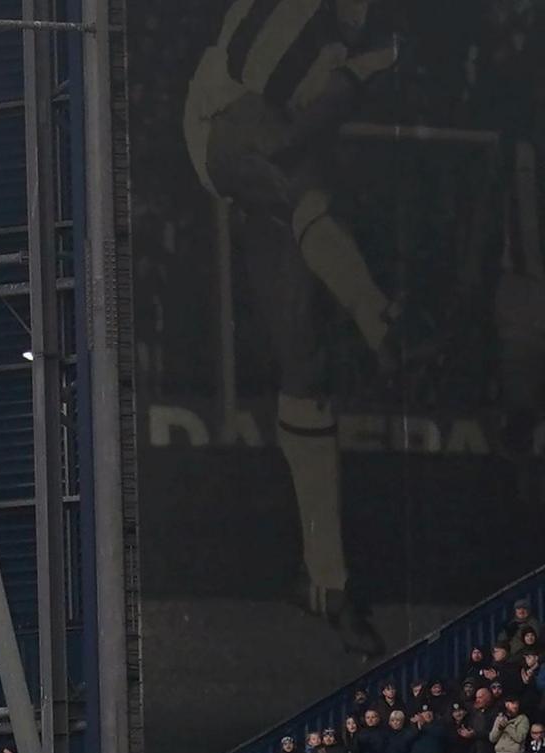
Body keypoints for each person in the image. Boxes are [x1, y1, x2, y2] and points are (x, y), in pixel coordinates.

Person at [180, 0, 403, 654]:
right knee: (295, 175)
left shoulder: (385, 41)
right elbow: (283, 131)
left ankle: (324, 582)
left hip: (286, 162)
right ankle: (378, 318)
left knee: (305, 368)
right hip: (220, 113)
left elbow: (318, 115)